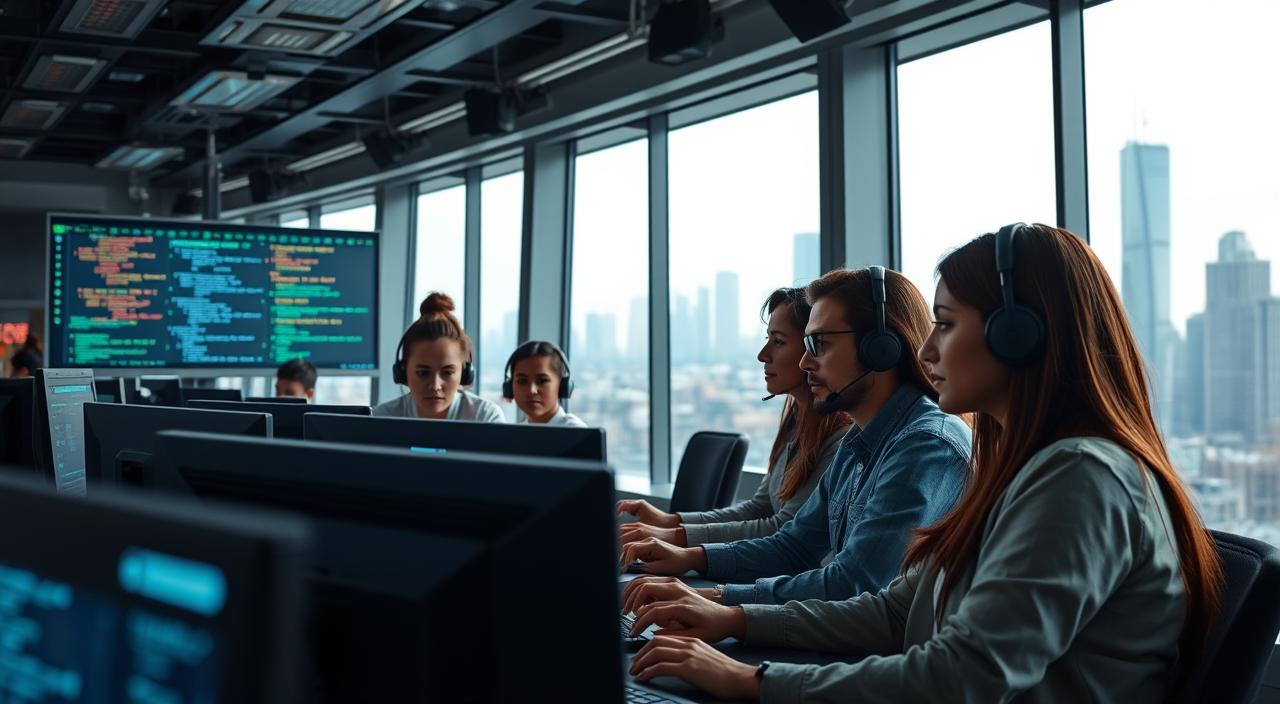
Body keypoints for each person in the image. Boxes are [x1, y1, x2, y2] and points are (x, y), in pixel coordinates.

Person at [624, 224, 1223, 703]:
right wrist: (733, 624)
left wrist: (749, 681)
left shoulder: (1082, 476)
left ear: (1020, 336)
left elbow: (960, 678)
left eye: (946, 324)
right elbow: (893, 611)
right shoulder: (1016, 472)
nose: (928, 349)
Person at [620, 267, 970, 607]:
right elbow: (793, 546)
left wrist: (714, 597)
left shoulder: (926, 446)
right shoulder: (859, 442)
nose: (805, 362)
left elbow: (853, 584)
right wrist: (690, 559)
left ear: (880, 348)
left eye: (818, 344)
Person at [617, 287, 853, 548]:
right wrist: (670, 521)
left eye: (779, 342)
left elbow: (782, 528)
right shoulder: (796, 422)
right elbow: (760, 507)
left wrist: (677, 537)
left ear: (812, 349)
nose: (762, 355)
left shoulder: (840, 438)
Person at [373, 292, 505, 422]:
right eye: (423, 373)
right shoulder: (382, 418)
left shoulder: (485, 417)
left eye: (447, 373)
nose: (435, 386)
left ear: (464, 373)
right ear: (403, 371)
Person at [503, 341, 587, 427]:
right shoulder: (515, 433)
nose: (532, 390)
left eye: (542, 381)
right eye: (522, 381)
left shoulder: (576, 432)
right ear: (510, 387)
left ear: (561, 385)